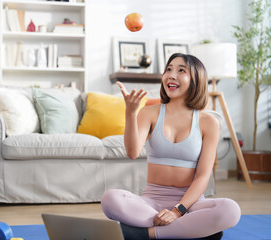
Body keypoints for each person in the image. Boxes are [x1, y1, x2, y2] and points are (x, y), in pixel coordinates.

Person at [101, 53, 241, 240]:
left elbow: (202, 177)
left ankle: (147, 234)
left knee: (230, 210)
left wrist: (177, 211)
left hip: (190, 205)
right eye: (168, 69)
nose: (171, 75)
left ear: (195, 80)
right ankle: (190, 231)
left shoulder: (209, 122)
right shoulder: (149, 113)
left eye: (181, 70)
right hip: (151, 204)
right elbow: (132, 152)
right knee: (110, 199)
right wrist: (130, 113)